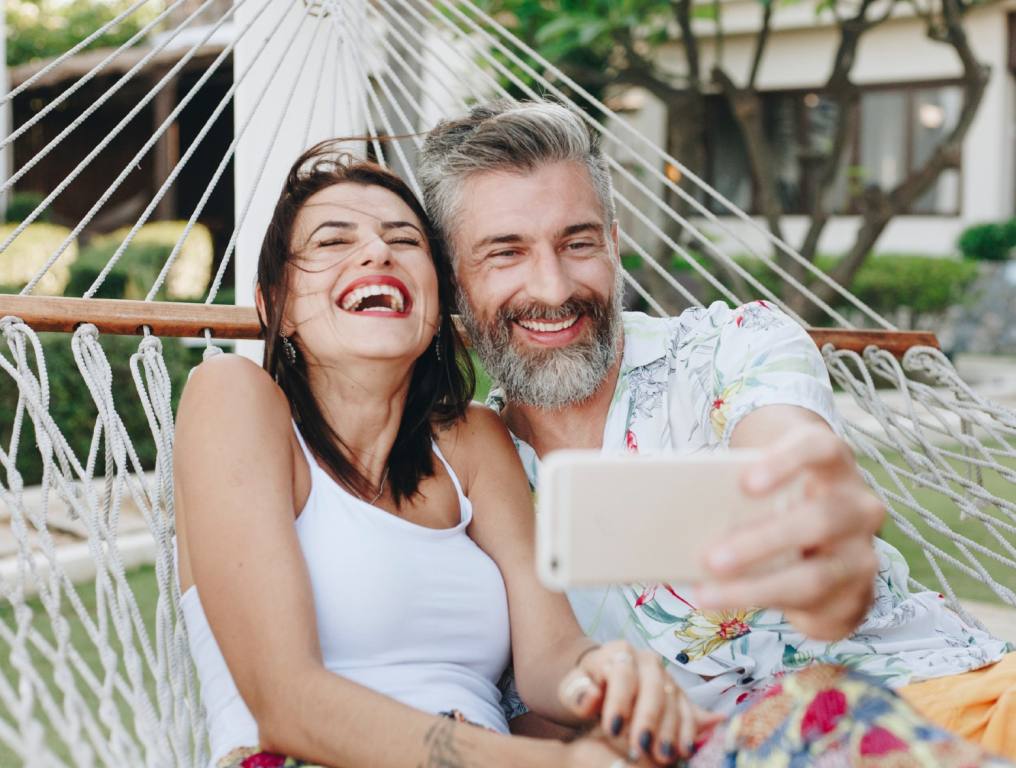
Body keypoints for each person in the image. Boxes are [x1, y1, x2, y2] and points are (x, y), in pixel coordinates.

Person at [417, 99, 1016, 761]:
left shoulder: (733, 349)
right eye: (506, 254)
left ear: (615, 248)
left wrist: (827, 551)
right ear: (453, 289)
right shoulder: (467, 475)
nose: (554, 287)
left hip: (940, 695)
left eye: (578, 243)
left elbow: (795, 454)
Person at [173, 141, 719, 768]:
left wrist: (605, 674)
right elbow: (286, 702)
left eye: (404, 240)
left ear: (437, 304)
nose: (377, 251)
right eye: (332, 242)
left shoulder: (474, 443)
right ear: (277, 305)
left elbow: (549, 659)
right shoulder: (233, 398)